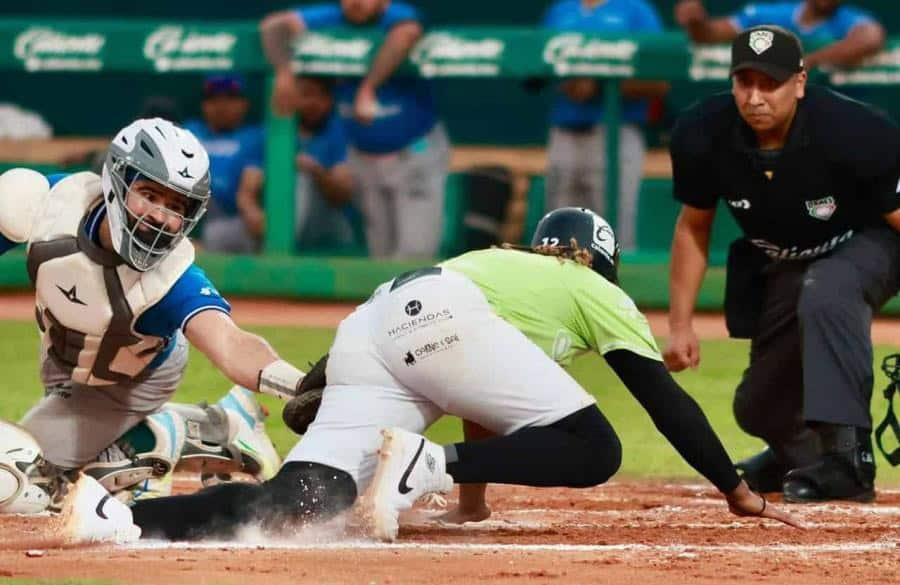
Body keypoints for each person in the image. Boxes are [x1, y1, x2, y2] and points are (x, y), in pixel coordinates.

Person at [69, 207, 801, 544]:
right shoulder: (592, 287)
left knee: (296, 505)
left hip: (372, 327)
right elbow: (661, 396)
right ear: (590, 260)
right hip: (441, 325)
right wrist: (734, 488)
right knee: (595, 449)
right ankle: (426, 464)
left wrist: (470, 502)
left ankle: (119, 520)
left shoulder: (496, 266)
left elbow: (469, 383)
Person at [0, 118, 311, 519]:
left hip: (132, 382)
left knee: (22, 485)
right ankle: (218, 425)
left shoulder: (172, 276)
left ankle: (185, 431)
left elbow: (229, 343)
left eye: (176, 206)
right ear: (117, 180)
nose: (161, 218)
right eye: (149, 195)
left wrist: (298, 384)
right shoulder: (50, 204)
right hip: (66, 363)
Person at [664, 26, 900, 503]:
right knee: (759, 407)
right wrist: (679, 324)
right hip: (788, 260)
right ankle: (802, 456)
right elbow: (694, 226)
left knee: (829, 285)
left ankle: (849, 462)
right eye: (743, 82)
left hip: (874, 241)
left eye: (768, 83)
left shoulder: (854, 130)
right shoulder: (701, 132)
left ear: (799, 81)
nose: (754, 97)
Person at [260, 0, 450, 259]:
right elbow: (273, 26)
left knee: (416, 252)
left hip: (414, 153)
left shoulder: (397, 16)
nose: (357, 2)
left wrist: (369, 86)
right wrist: (284, 74)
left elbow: (407, 34)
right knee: (380, 253)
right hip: (365, 158)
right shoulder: (332, 17)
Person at [541, 0, 670, 251]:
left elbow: (660, 82)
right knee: (557, 236)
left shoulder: (636, 11)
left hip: (616, 134)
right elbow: (534, 67)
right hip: (564, 133)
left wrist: (600, 84)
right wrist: (566, 79)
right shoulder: (560, 10)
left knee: (612, 238)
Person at [238, 76, 358, 253]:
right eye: (307, 94)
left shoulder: (335, 132)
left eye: (322, 96)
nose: (314, 103)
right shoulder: (270, 134)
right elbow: (247, 191)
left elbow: (342, 195)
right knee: (217, 234)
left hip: (329, 222)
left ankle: (281, 251)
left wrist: (316, 171)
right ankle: (276, 252)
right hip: (273, 223)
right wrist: (253, 213)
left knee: (302, 177)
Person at [675, 0, 885, 71]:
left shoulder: (848, 19)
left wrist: (809, 60)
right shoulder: (776, 14)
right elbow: (710, 34)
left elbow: (871, 38)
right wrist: (696, 22)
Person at [184, 74, 265, 253]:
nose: (221, 106)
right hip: (189, 209)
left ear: (244, 103)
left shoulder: (254, 137)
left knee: (215, 233)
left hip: (231, 218)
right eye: (213, 99)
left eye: (230, 98)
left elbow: (248, 193)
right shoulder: (191, 130)